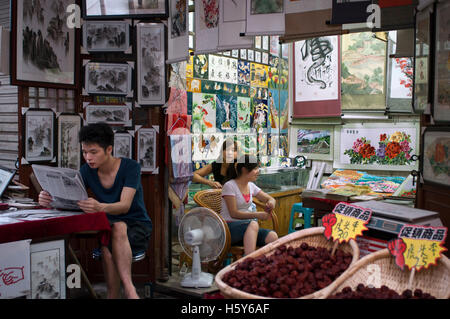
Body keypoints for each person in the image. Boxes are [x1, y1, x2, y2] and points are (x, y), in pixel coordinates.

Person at [38, 123, 152, 299]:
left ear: (109, 149)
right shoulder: (86, 171)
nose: (88, 157)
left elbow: (125, 206)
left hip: (136, 225)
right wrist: (49, 199)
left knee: (118, 229)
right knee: (108, 243)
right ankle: (116, 294)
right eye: (84, 152)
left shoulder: (131, 168)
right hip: (107, 226)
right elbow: (70, 197)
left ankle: (126, 290)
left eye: (93, 152)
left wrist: (100, 207)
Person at [221, 155, 278, 256]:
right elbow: (234, 213)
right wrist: (257, 215)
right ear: (244, 170)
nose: (258, 171)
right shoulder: (229, 186)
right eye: (255, 168)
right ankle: (249, 262)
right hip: (228, 229)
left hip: (248, 228)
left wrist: (271, 203)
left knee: (272, 236)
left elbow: (270, 198)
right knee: (253, 224)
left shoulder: (251, 186)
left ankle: (265, 266)